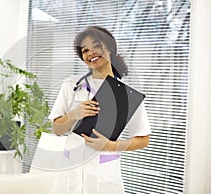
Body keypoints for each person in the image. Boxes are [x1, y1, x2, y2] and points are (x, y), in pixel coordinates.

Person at [48, 26, 151, 194]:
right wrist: (74, 115)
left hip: (105, 173)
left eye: (96, 46)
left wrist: (111, 146)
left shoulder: (126, 95)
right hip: (69, 170)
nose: (90, 53)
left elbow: (143, 139)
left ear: (109, 47)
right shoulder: (71, 86)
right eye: (85, 50)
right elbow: (57, 129)